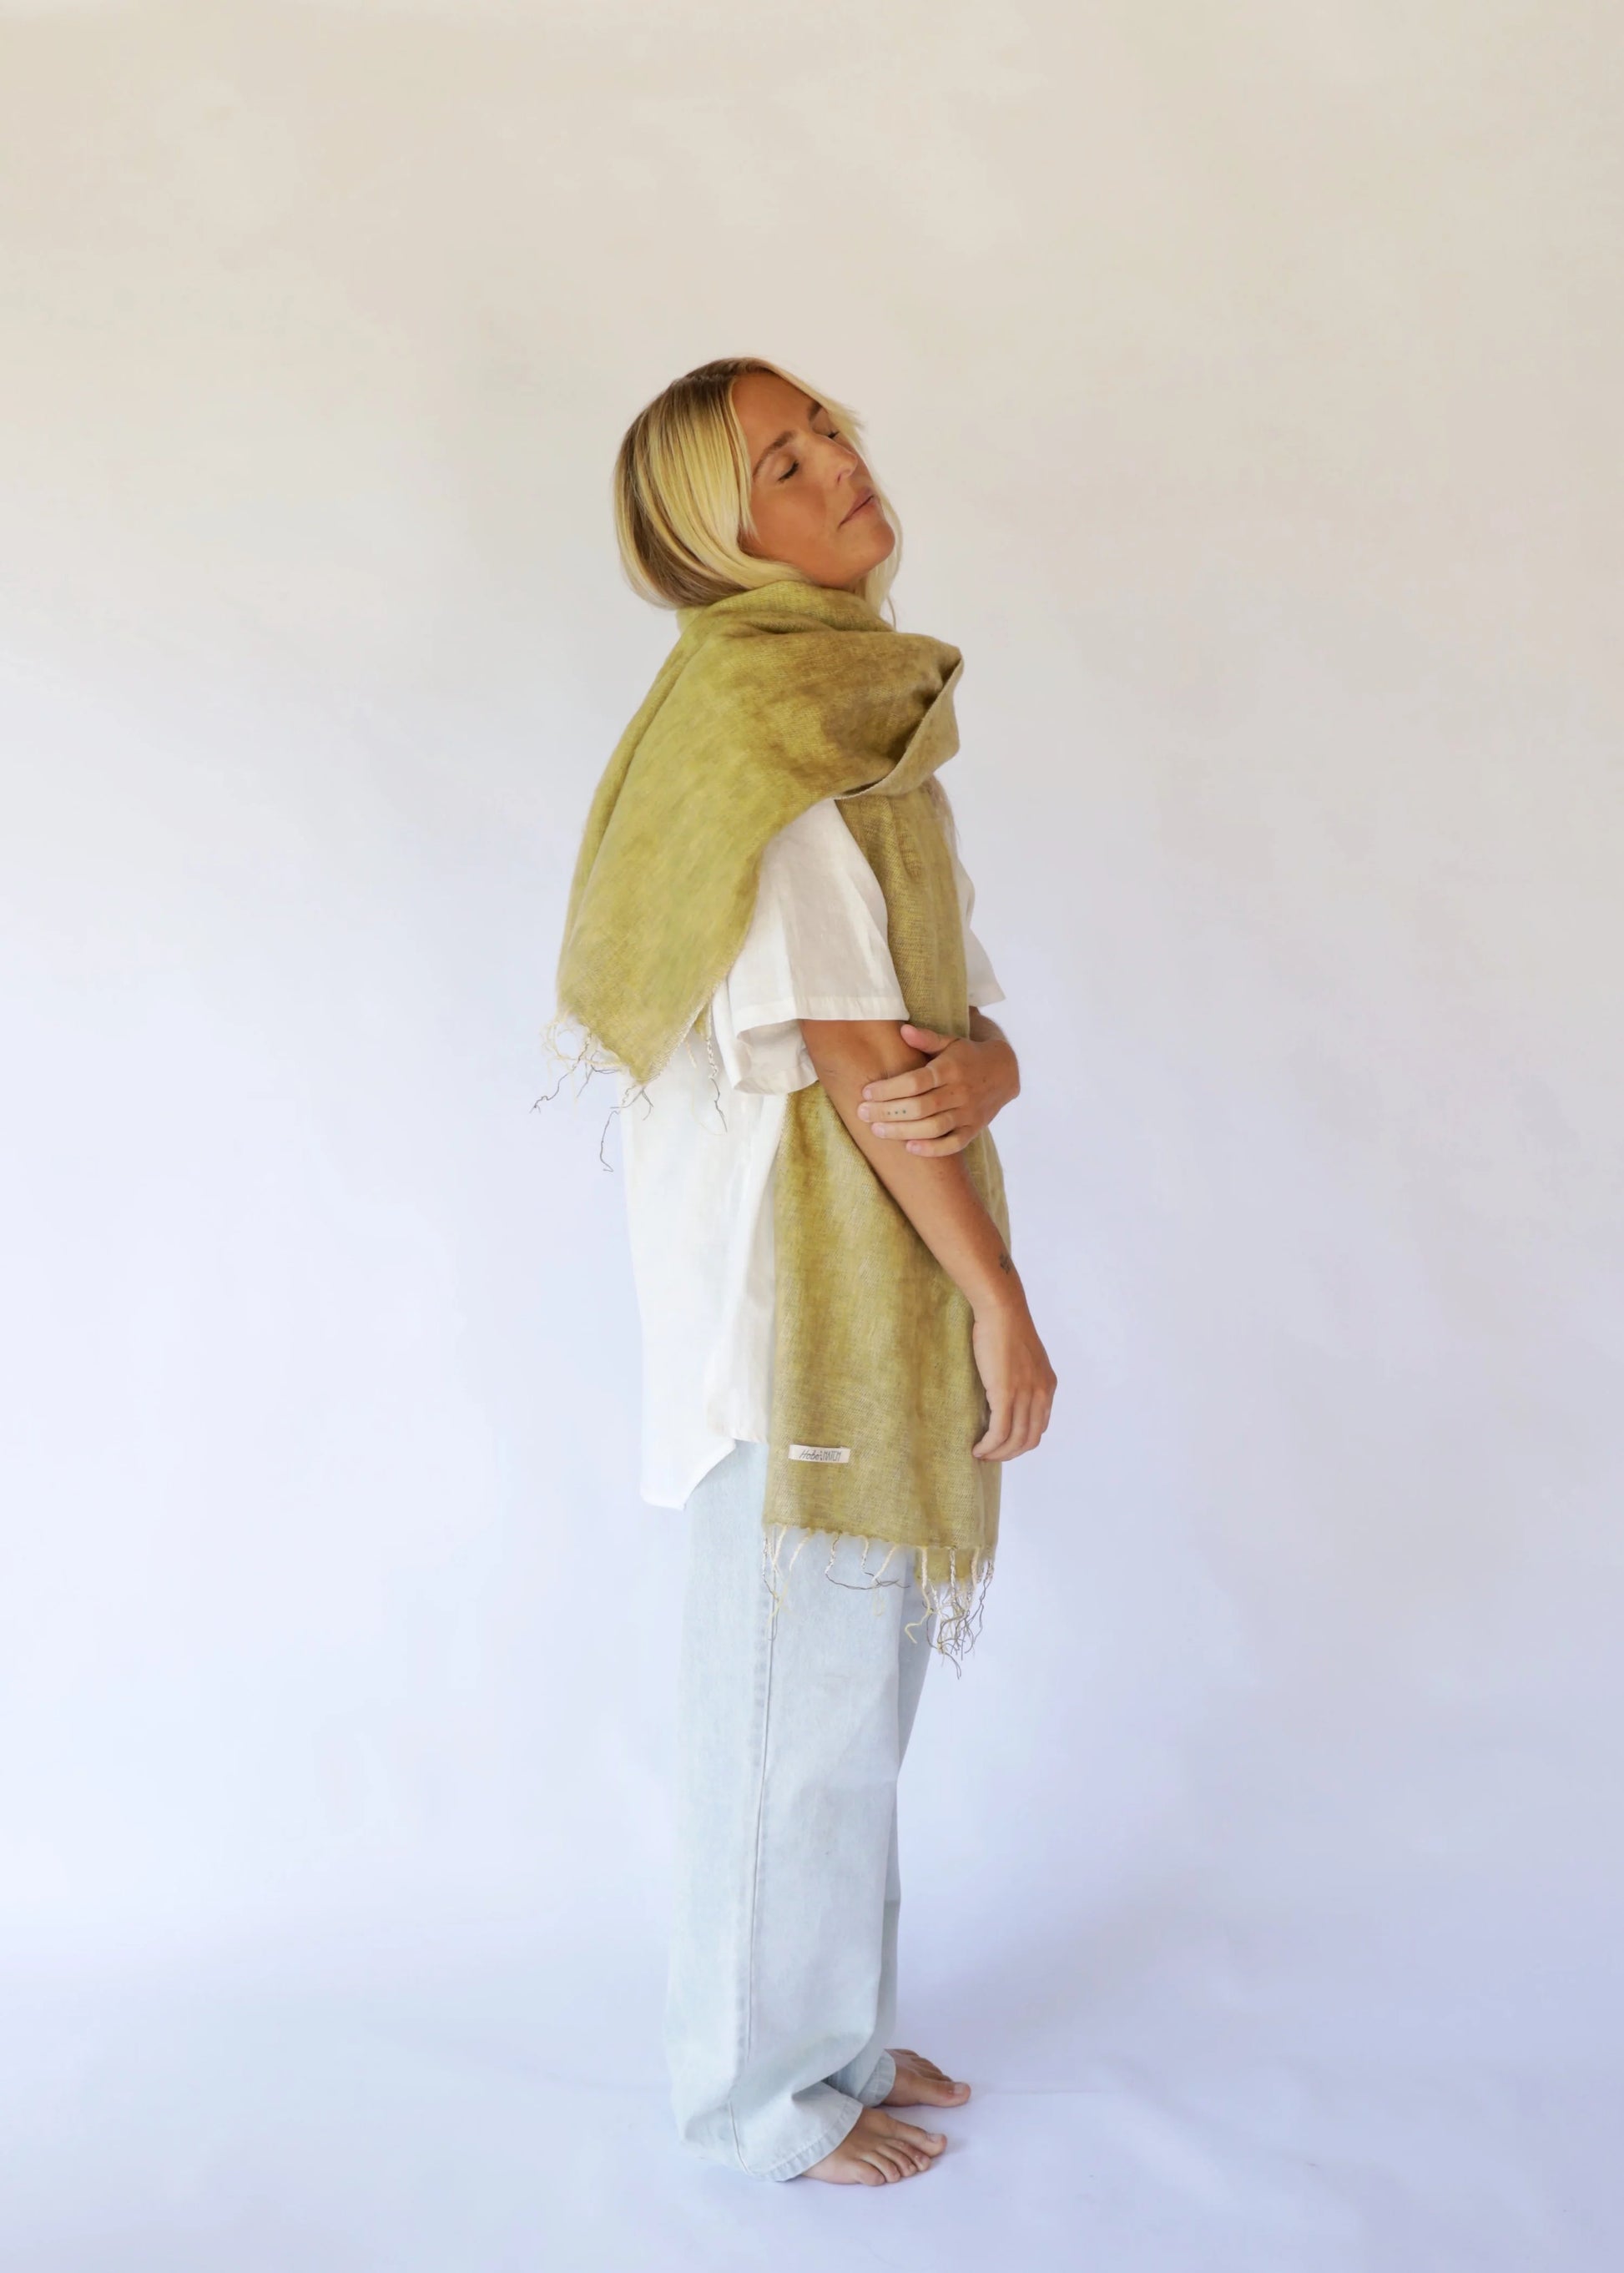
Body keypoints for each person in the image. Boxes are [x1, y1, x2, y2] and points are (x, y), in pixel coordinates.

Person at [553, 357, 1056, 2186]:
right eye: (783, 459)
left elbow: (950, 1031)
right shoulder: (763, 724)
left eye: (826, 427)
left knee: (849, 1708)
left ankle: (826, 2038)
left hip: (859, 1280)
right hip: (796, 1313)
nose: (838, 461)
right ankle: (758, 2104)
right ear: (722, 534)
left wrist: (994, 1067)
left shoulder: (862, 714)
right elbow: (857, 1059)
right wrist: (1000, 1302)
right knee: (793, 1723)